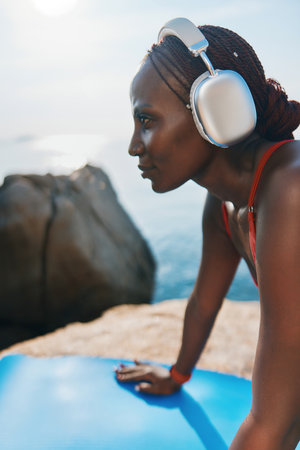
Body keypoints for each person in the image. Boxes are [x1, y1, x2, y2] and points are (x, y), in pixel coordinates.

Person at [115, 18, 300, 449]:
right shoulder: (225, 203)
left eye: (146, 120)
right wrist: (178, 373)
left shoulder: (290, 191)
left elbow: (276, 425)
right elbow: (202, 303)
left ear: (216, 112)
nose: (133, 146)